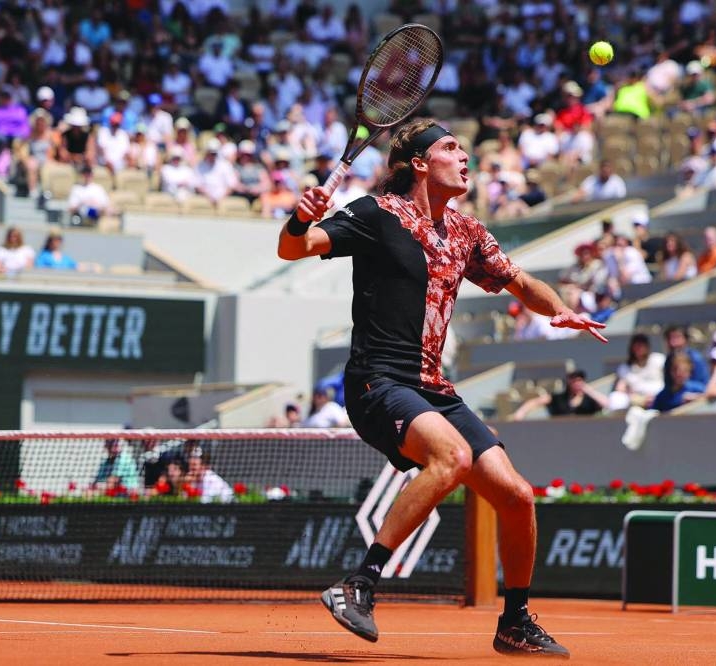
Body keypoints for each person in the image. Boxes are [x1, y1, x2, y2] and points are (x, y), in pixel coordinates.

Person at [277, 119, 605, 655]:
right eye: (452, 148)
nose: (465, 157)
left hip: (433, 386)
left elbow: (519, 282)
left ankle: (515, 621)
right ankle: (358, 584)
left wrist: (561, 310)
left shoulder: (466, 232)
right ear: (422, 163)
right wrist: (298, 219)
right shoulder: (376, 214)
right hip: (377, 381)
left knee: (518, 497)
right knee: (451, 457)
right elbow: (295, 249)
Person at [511, 370, 610, 420]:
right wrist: (521, 412)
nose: (576, 383)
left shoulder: (589, 399)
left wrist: (588, 390)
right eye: (574, 380)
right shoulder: (559, 398)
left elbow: (607, 404)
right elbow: (535, 402)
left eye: (579, 380)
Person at [609, 333, 666, 410]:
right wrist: (636, 398)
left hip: (660, 397)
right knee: (616, 397)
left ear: (647, 346)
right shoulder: (625, 368)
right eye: (637, 346)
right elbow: (620, 388)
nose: (639, 348)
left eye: (642, 345)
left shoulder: (659, 359)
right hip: (636, 401)